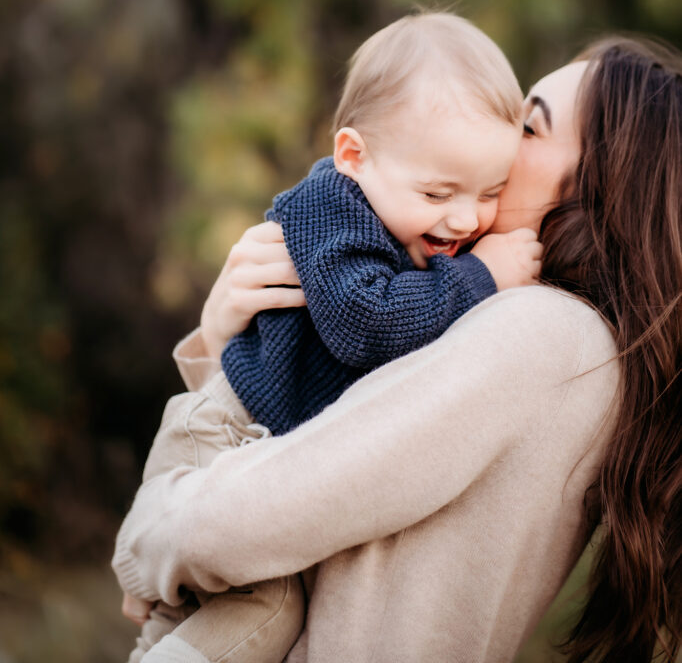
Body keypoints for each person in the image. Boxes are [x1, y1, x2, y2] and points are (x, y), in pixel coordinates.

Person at [114, 36, 682, 663]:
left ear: (598, 183)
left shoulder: (546, 333)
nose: (493, 133)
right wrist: (229, 338)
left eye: (528, 125)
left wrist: (149, 535)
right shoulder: (509, 317)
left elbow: (270, 509)